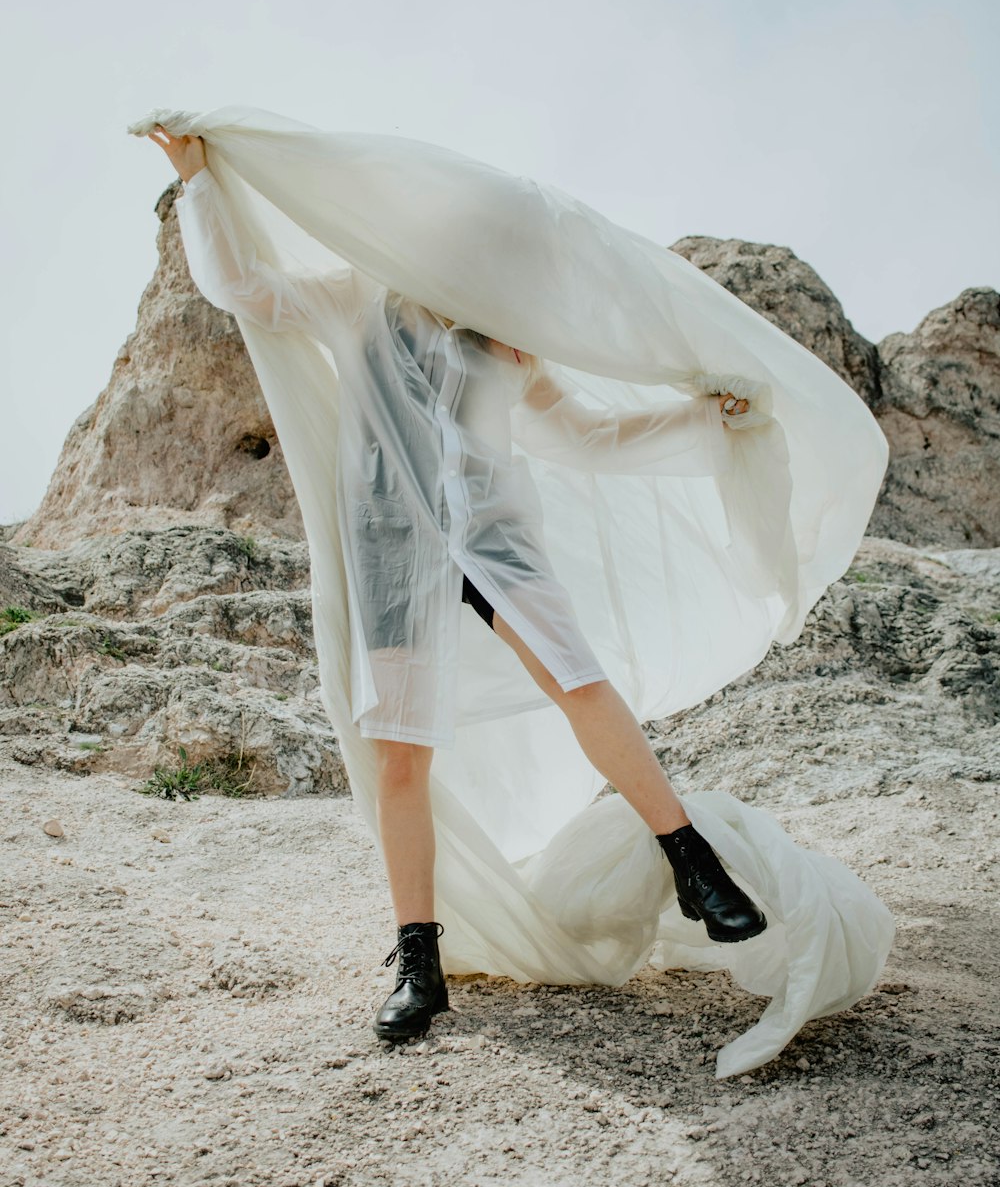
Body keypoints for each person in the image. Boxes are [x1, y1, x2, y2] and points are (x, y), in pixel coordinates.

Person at [149, 125, 767, 1047]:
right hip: (396, 550)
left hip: (499, 540)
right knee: (402, 752)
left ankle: (694, 864)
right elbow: (249, 290)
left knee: (581, 682)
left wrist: (697, 418)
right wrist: (198, 179)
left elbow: (586, 439)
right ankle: (418, 960)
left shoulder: (513, 343)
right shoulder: (359, 296)